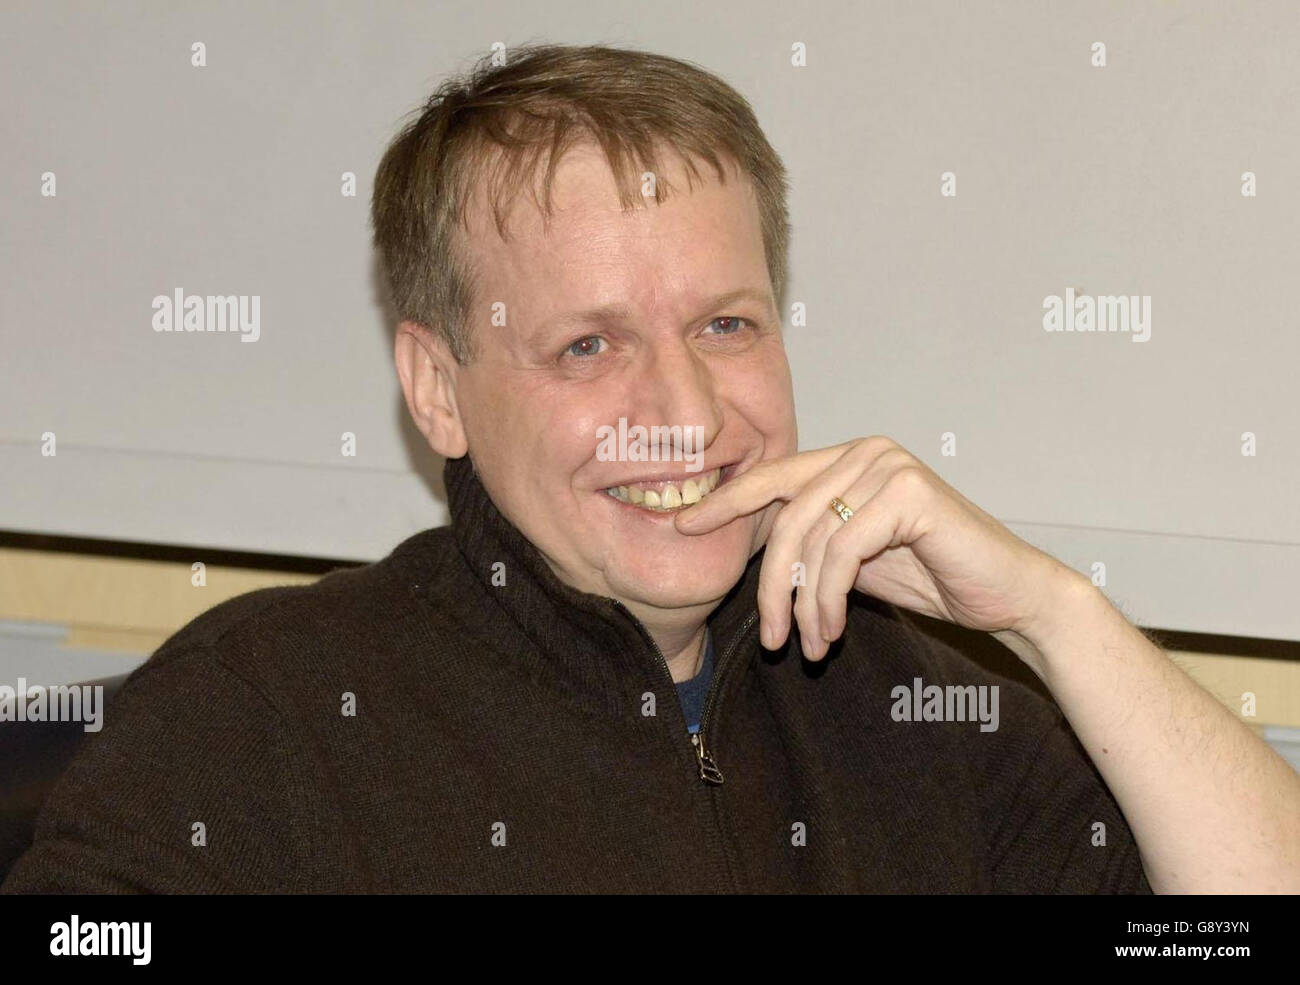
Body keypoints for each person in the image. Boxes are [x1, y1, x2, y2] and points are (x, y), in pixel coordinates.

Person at [5, 42, 1298, 894]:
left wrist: (1053, 616)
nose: (682, 411)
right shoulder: (265, 710)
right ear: (437, 388)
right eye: (588, 344)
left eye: (725, 324)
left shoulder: (921, 714)